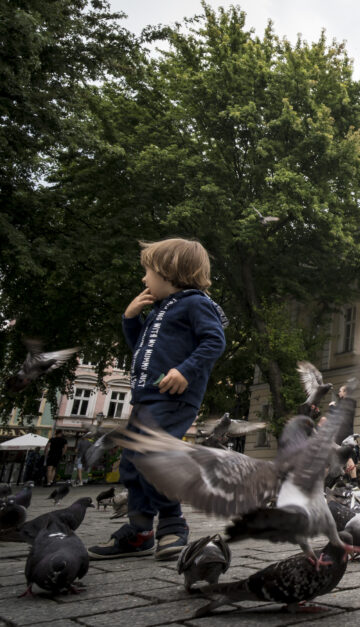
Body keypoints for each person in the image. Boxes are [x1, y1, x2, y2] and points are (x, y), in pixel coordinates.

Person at [89, 238, 226, 562]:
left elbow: (214, 340)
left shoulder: (195, 303)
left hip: (174, 397)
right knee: (131, 464)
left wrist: (186, 370)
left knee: (151, 459)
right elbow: (142, 351)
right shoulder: (158, 312)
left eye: (147, 272)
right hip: (147, 397)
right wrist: (130, 318)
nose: (143, 280)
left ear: (169, 273)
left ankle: (173, 527)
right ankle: (139, 532)